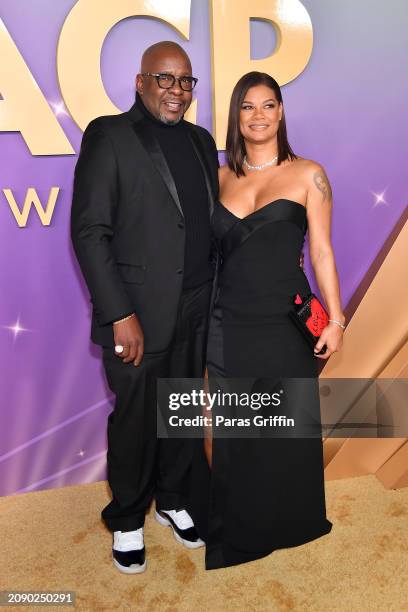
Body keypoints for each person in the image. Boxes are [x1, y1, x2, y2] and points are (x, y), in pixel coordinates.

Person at [70, 41, 220, 573]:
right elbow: (90, 232)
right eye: (164, 79)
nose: (176, 91)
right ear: (141, 83)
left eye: (185, 81)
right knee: (135, 420)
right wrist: (117, 313)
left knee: (178, 410)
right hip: (136, 312)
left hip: (197, 304)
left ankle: (174, 499)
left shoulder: (202, 142)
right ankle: (129, 517)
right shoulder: (110, 136)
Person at [187, 71, 345, 570]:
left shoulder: (309, 174)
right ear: (235, 116)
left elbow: (320, 250)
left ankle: (288, 520)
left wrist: (336, 319)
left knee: (284, 424)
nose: (259, 115)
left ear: (281, 112)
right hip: (226, 317)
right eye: (248, 106)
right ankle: (238, 521)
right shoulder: (216, 178)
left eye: (268, 105)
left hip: (284, 317)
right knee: (226, 425)